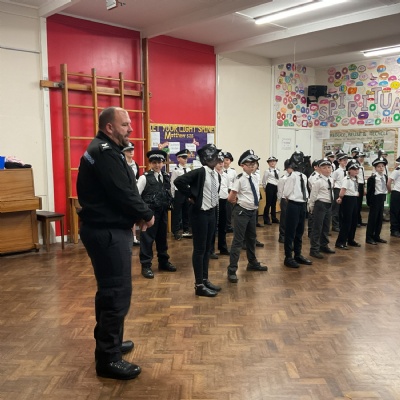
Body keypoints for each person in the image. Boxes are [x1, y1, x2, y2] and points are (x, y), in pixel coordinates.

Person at [77, 106, 154, 380]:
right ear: (109, 127)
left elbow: (121, 190)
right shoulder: (104, 152)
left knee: (110, 292)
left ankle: (110, 342)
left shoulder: (104, 149)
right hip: (107, 233)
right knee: (116, 294)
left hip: (106, 229)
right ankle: (108, 359)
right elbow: (123, 191)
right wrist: (146, 214)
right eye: (124, 124)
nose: (130, 128)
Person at [173, 144, 222, 297]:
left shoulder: (216, 174)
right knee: (200, 249)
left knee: (207, 248)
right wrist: (191, 195)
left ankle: (205, 279)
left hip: (211, 213)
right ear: (207, 158)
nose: (217, 159)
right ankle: (199, 285)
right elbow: (179, 181)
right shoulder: (200, 172)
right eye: (214, 156)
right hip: (200, 214)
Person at [227, 149, 268, 283]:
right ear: (242, 165)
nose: (252, 166)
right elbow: (231, 197)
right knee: (238, 241)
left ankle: (252, 262)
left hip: (252, 212)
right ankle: (232, 269)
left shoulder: (255, 177)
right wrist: (240, 203)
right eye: (249, 164)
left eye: (254, 164)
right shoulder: (240, 179)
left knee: (251, 238)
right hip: (242, 212)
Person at [137, 150, 176, 278]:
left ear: (163, 163)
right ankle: (146, 265)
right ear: (150, 163)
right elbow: (137, 196)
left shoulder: (165, 176)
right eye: (154, 163)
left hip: (163, 211)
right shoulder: (144, 178)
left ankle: (163, 261)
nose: (157, 165)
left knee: (162, 238)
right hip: (150, 214)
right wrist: (143, 214)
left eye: (159, 162)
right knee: (147, 239)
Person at [282, 151, 312, 268]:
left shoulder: (303, 176)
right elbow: (286, 193)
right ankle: (288, 257)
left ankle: (298, 254)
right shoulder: (291, 177)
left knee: (300, 231)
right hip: (293, 205)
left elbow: (306, 191)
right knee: (290, 232)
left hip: (302, 204)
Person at [308, 159, 335, 259]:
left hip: (328, 204)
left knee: (326, 227)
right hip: (320, 205)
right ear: (319, 169)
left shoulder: (331, 179)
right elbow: (313, 195)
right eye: (324, 168)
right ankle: (314, 249)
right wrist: (311, 206)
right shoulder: (318, 181)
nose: (327, 170)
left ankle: (324, 245)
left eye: (329, 167)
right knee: (317, 228)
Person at [335, 159, 360, 250]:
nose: (356, 171)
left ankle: (350, 239)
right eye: (354, 169)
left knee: (354, 221)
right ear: (349, 170)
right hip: (347, 199)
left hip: (354, 199)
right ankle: (340, 242)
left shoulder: (355, 179)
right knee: (347, 221)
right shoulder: (347, 179)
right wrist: (340, 197)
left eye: (357, 169)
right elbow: (343, 190)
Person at [210, 152, 230, 256]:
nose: (221, 164)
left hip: (223, 201)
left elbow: (227, 188)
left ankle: (223, 247)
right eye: (218, 162)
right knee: (213, 227)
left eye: (222, 162)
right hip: (214, 202)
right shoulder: (211, 174)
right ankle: (211, 250)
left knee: (223, 226)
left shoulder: (226, 175)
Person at [170, 149, 192, 240]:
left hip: (186, 192)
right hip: (178, 193)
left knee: (186, 212)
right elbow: (172, 183)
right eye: (183, 158)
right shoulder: (176, 170)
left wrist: (190, 194)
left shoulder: (189, 169)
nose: (185, 159)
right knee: (177, 213)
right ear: (178, 158)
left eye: (186, 158)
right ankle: (175, 231)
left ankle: (186, 230)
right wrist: (173, 195)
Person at [365, 157, 388, 245]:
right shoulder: (373, 178)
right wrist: (369, 202)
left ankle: (376, 236)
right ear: (375, 168)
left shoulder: (385, 177)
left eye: (382, 166)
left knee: (379, 218)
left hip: (381, 198)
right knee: (372, 219)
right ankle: (369, 237)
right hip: (375, 199)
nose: (381, 168)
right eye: (379, 166)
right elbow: (369, 191)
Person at [122, 142, 141, 246]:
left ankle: (133, 237)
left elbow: (137, 178)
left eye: (132, 149)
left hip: (133, 192)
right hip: (123, 192)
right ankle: (125, 238)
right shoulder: (121, 163)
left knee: (132, 214)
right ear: (123, 151)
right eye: (128, 150)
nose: (131, 152)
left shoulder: (135, 164)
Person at [331, 153, 348, 232]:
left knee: (342, 209)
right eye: (343, 160)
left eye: (346, 160)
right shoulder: (337, 171)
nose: (345, 162)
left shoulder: (347, 171)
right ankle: (335, 225)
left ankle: (341, 224)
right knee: (336, 209)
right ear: (339, 161)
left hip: (344, 190)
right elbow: (333, 181)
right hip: (337, 190)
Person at [277, 159, 292, 243]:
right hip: (284, 199)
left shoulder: (295, 177)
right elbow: (280, 191)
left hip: (293, 200)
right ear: (286, 168)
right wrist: (280, 201)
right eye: (290, 167)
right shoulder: (283, 178)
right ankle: (282, 235)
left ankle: (290, 235)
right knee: (284, 218)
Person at [262, 156, 280, 225]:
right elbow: (264, 180)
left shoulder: (278, 170)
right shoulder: (267, 171)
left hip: (276, 187)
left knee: (274, 203)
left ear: (276, 162)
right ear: (268, 163)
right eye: (271, 161)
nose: (272, 162)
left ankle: (274, 218)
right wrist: (265, 188)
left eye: (274, 161)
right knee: (268, 203)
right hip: (270, 186)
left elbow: (278, 179)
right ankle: (266, 219)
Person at [223, 152, 236, 233]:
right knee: (221, 210)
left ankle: (228, 225)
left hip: (230, 192)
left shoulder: (233, 171)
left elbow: (235, 182)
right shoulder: (219, 170)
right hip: (221, 192)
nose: (225, 161)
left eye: (227, 160)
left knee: (229, 210)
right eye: (224, 160)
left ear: (230, 161)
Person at [387, 156, 400, 238]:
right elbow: (389, 182)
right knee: (395, 212)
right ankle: (394, 230)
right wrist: (390, 191)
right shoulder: (397, 170)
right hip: (397, 192)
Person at [355, 152, 367, 227]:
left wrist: (364, 187)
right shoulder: (355, 166)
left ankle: (359, 220)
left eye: (363, 157)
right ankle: (356, 221)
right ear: (357, 157)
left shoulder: (362, 166)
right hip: (357, 185)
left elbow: (363, 178)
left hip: (361, 185)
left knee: (359, 205)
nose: (362, 158)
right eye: (360, 157)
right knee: (356, 204)